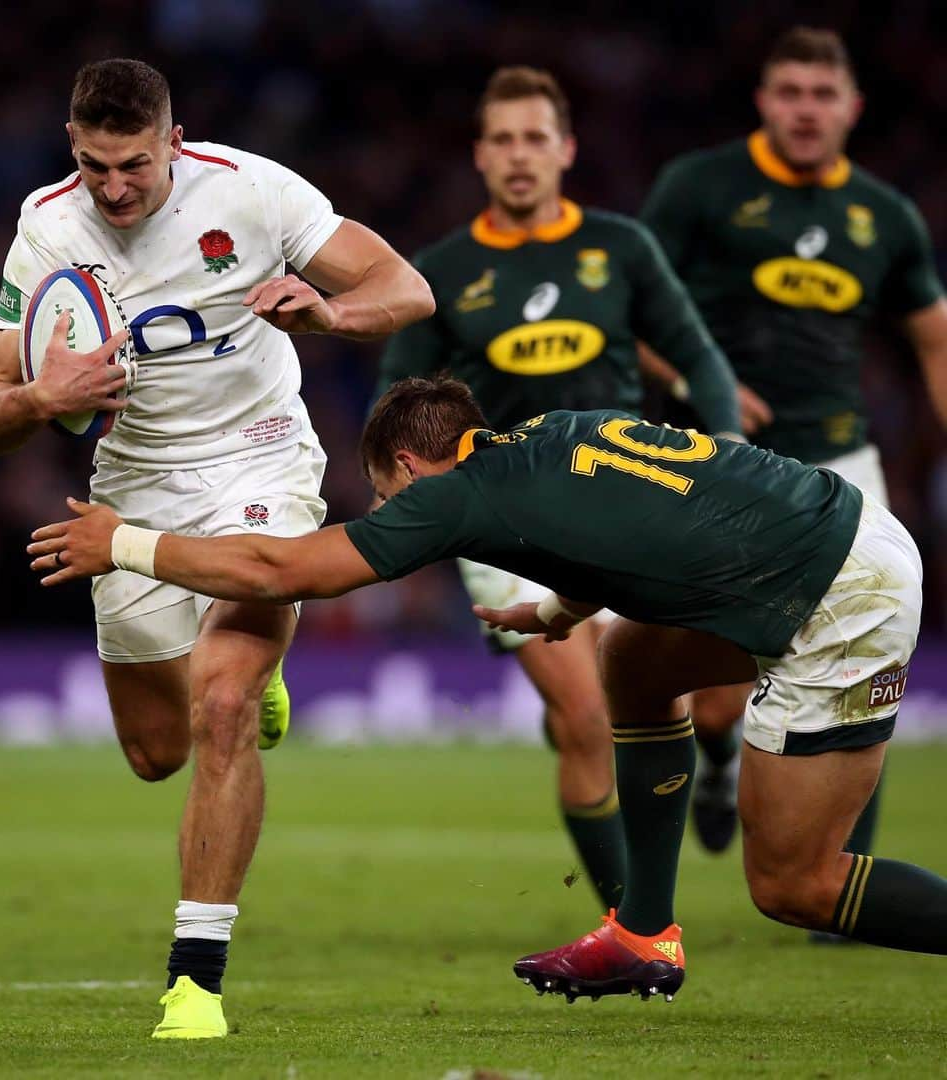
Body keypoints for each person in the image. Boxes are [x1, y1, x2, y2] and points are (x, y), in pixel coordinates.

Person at [29, 376, 947, 1004]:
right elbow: (637, 527)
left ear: (410, 468)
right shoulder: (551, 436)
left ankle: (654, 932)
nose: (396, 519)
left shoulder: (453, 494)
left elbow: (280, 570)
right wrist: (556, 614)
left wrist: (127, 544)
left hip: (837, 600)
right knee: (629, 663)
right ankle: (642, 936)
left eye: (389, 497)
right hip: (839, 533)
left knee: (794, 884)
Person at [0, 58, 433, 1039]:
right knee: (154, 753)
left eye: (134, 164)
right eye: (96, 166)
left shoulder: (252, 192)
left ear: (172, 143)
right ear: (72, 151)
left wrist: (332, 312)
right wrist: (46, 400)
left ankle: (196, 981)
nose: (117, 187)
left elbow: (407, 288)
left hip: (259, 464)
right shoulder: (45, 227)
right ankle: (247, 668)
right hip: (130, 489)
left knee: (220, 707)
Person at [376, 66, 743, 912]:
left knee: (716, 704)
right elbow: (394, 403)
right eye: (501, 139)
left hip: (630, 496)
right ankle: (630, 917)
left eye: (535, 137)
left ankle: (721, 764)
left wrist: (721, 447)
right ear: (478, 155)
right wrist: (404, 500)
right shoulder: (441, 271)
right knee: (585, 717)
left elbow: (696, 357)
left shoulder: (619, 247)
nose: (519, 155)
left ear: (566, 149)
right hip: (503, 516)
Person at [639, 26, 947, 864]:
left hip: (844, 461)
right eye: (790, 93)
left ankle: (842, 869)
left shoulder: (884, 217)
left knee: (864, 662)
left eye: (822, 95)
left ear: (851, 107)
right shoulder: (701, 187)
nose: (806, 111)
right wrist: (703, 384)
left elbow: (934, 335)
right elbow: (634, 307)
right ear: (764, 102)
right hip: (720, 457)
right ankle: (718, 758)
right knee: (712, 692)